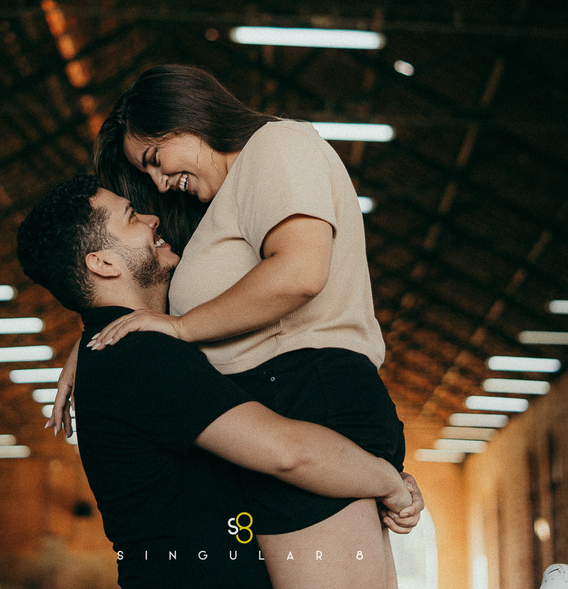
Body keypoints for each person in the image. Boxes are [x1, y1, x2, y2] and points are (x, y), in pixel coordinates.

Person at [68, 64, 409, 588]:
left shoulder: (277, 146)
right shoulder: (228, 203)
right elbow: (171, 293)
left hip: (305, 392)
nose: (159, 183)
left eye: (156, 159)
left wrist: (179, 330)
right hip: (285, 399)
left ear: (188, 118)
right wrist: (95, 339)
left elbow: (299, 273)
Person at [17, 175, 423, 589]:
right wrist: (387, 481)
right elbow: (286, 452)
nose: (152, 219)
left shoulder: (123, 349)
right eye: (132, 217)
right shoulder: (139, 356)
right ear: (103, 263)